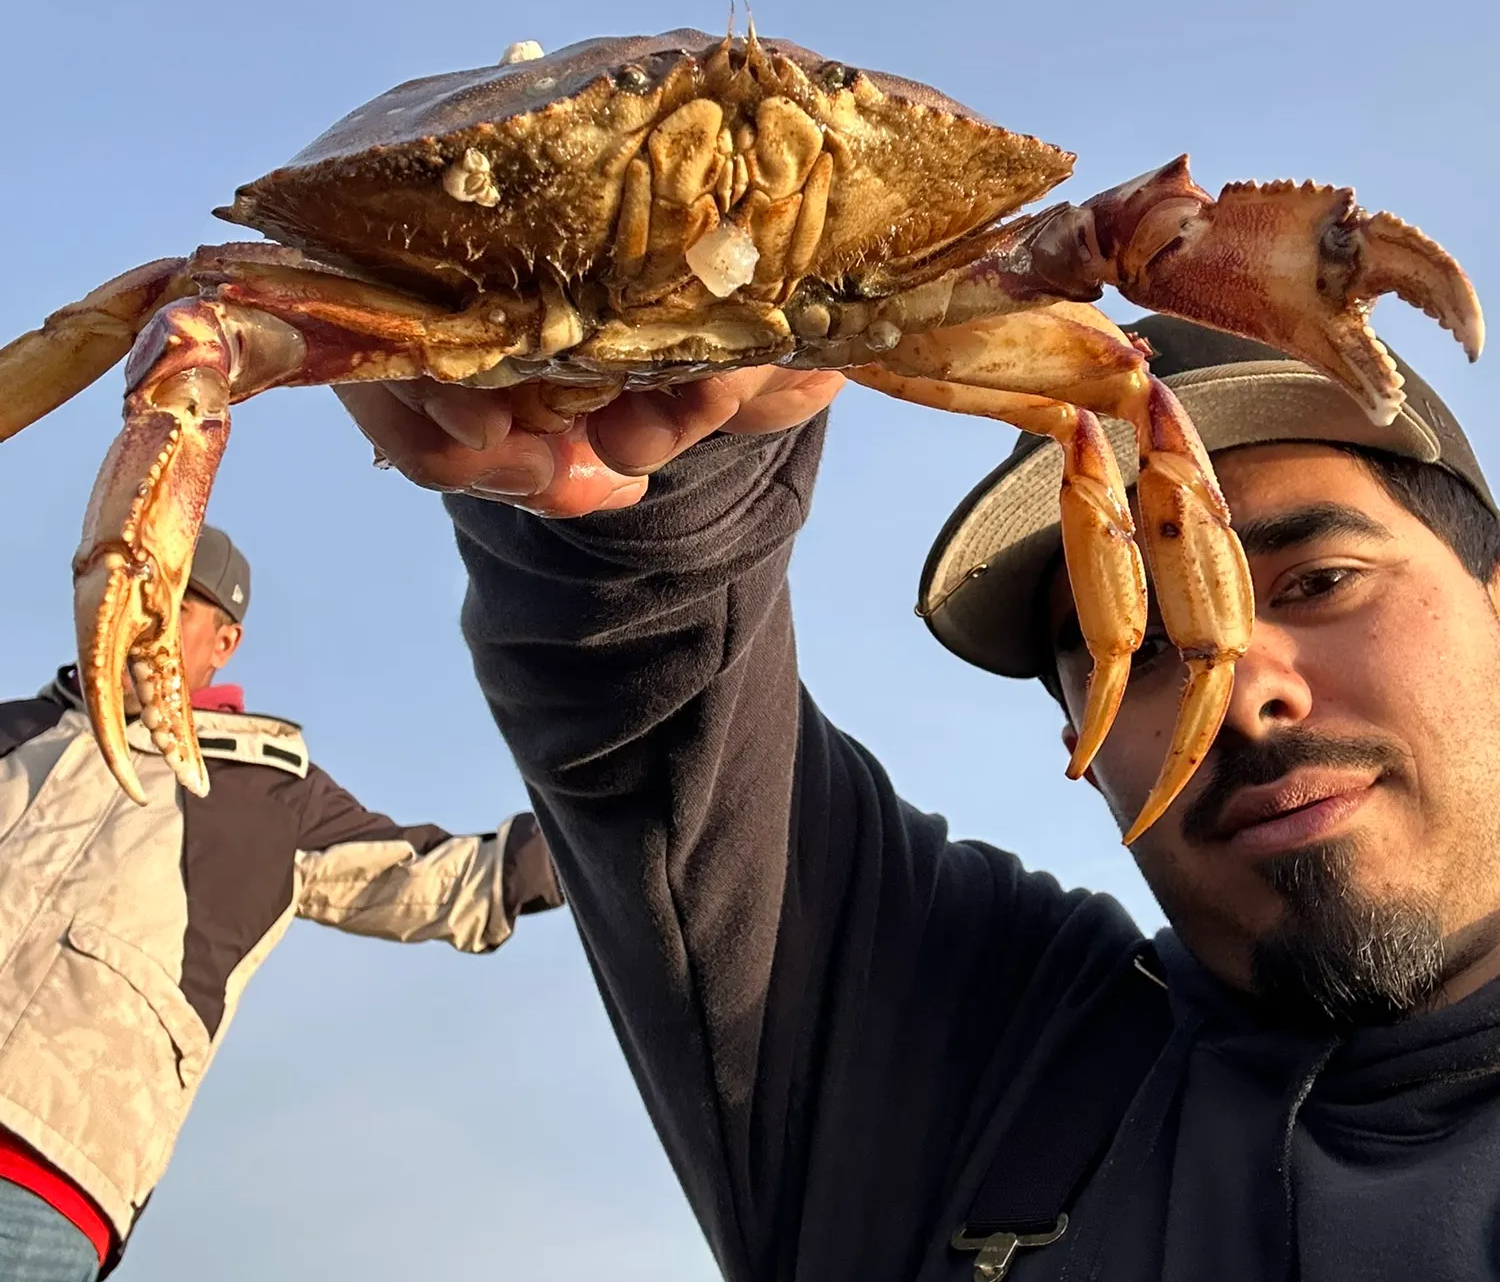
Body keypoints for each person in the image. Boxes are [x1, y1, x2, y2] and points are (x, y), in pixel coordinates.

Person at [337, 311, 1500, 1282]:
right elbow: (640, 696)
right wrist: (624, 406)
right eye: (1128, 635)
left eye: (1320, 580)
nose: (1242, 687)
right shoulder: (963, 1057)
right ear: (1078, 742)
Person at [0, 526, 563, 1281]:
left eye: (171, 604)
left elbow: (443, 878)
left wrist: (609, 820)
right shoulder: (14, 732)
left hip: (49, 1171)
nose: (142, 619)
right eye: (131, 592)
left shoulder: (270, 790)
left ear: (222, 642)